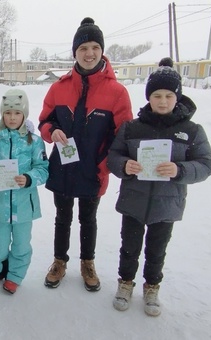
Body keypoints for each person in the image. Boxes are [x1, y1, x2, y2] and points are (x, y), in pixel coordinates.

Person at [107, 57, 211, 316]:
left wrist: (180, 170)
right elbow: (113, 156)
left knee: (157, 249)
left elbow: (206, 164)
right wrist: (125, 165)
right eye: (156, 95)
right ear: (149, 97)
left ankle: (152, 286)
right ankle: (125, 282)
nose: (162, 101)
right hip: (134, 200)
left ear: (177, 97)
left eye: (168, 95)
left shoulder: (191, 131)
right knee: (129, 247)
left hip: (167, 204)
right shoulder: (132, 127)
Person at [38, 17, 133, 291]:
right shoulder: (59, 87)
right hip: (63, 168)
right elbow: (45, 120)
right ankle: (59, 261)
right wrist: (51, 131)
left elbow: (122, 136)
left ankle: (87, 262)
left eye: (94, 47)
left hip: (94, 169)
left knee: (88, 219)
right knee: (62, 218)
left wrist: (103, 166)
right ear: (75, 53)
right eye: (83, 48)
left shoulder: (117, 92)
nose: (89, 53)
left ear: (102, 50)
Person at [0, 89, 49, 294]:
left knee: (21, 244)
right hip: (0, 204)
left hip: (25, 205)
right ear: (2, 114)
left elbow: (43, 168)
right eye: (8, 112)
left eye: (17, 113)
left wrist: (28, 178)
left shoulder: (34, 141)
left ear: (24, 115)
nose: (12, 117)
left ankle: (15, 275)